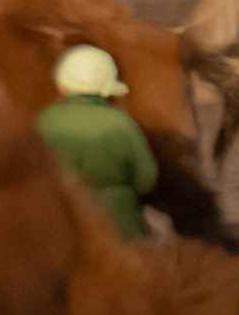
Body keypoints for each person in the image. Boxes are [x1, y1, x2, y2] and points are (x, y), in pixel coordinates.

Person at [37, 42, 161, 240]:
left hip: (58, 227)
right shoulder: (121, 123)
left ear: (61, 86)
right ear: (107, 90)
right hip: (120, 229)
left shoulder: (44, 120)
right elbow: (146, 180)